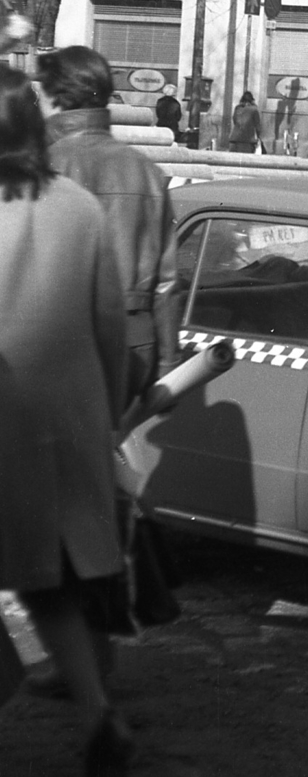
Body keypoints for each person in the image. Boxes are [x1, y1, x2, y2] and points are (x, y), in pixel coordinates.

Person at [0, 64, 136, 772]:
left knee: (33, 576)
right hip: (65, 429)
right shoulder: (78, 207)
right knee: (46, 580)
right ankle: (97, 713)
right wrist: (105, 420)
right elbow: (109, 327)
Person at [36, 46, 180, 403]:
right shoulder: (148, 172)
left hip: (56, 344)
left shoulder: (37, 167)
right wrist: (166, 367)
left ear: (56, 98)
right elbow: (166, 284)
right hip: (133, 345)